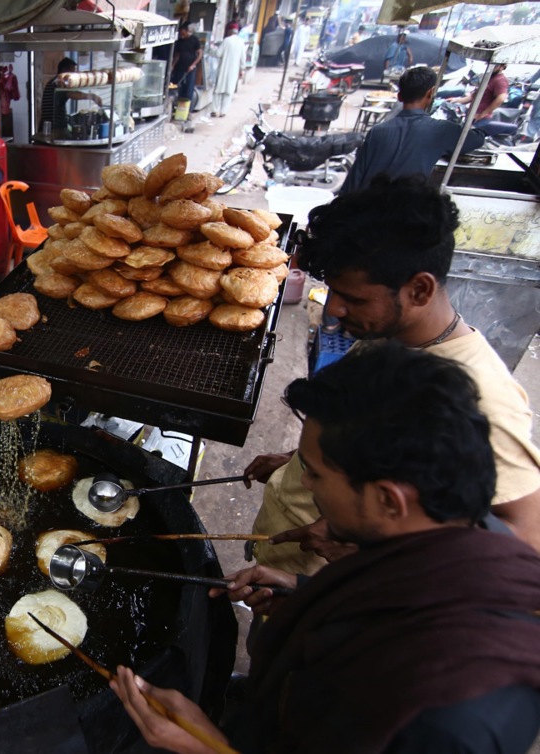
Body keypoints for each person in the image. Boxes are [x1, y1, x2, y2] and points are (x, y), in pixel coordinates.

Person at [111, 343, 540, 754]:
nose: (304, 486)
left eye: (313, 474)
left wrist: (205, 746)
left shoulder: (448, 723)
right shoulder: (457, 534)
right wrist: (302, 591)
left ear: (389, 499)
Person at [246, 176, 540, 575]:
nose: (334, 311)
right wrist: (297, 463)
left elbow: (524, 541)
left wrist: (362, 550)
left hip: (336, 594)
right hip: (287, 557)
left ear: (419, 290)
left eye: (354, 299)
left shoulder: (481, 394)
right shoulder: (388, 334)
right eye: (334, 293)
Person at [340, 66, 485, 193]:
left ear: (399, 96)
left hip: (368, 210)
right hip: (404, 212)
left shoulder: (377, 131)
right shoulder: (441, 130)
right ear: (431, 93)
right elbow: (476, 139)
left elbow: (354, 179)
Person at [448, 63, 515, 138]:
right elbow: (473, 96)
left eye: (495, 65)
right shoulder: (488, 77)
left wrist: (484, 113)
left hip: (480, 119)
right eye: (490, 65)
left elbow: (501, 98)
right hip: (471, 116)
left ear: (502, 67)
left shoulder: (500, 80)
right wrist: (456, 100)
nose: (492, 67)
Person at [39, 57, 103, 134]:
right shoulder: (60, 84)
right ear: (64, 71)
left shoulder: (52, 82)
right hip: (53, 129)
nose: (73, 75)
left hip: (47, 128)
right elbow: (73, 94)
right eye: (72, 72)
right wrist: (92, 97)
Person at [211, 22, 245, 117]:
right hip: (234, 70)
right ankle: (223, 112)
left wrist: (212, 49)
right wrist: (242, 70)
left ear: (229, 31)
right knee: (229, 91)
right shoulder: (241, 42)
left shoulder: (226, 40)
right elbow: (243, 58)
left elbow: (218, 54)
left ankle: (214, 110)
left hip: (223, 68)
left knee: (218, 90)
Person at [170, 22, 203, 105]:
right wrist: (173, 65)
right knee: (178, 87)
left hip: (190, 69)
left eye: (183, 33)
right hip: (179, 68)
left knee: (188, 89)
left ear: (187, 31)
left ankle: (188, 110)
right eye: (180, 33)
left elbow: (200, 53)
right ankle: (177, 106)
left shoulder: (194, 40)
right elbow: (177, 55)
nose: (181, 35)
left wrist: (193, 65)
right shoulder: (180, 41)